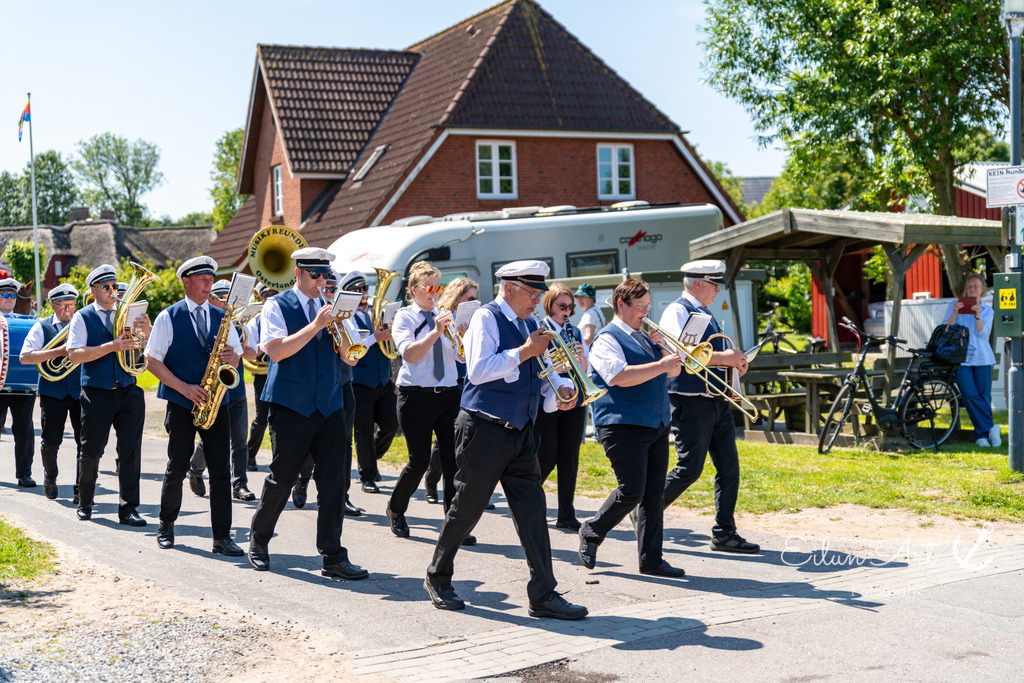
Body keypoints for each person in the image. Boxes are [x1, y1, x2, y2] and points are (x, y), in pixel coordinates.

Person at [424, 260, 587, 620]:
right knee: (467, 508)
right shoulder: (486, 317)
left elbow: (543, 375)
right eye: (532, 293)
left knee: (533, 514)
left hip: (522, 432)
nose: (537, 300)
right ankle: (438, 576)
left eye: (540, 293)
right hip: (483, 427)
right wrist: (525, 351)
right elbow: (479, 371)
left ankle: (543, 593)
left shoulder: (531, 324)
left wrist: (562, 388)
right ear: (509, 288)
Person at [248, 247, 368, 580]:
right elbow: (276, 351)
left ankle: (333, 555)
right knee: (282, 479)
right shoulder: (276, 305)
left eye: (325, 276)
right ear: (298, 273)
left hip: (330, 404)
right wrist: (316, 326)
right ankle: (259, 541)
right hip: (291, 405)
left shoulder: (332, 308)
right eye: (315, 275)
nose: (321, 282)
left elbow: (351, 359)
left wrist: (342, 332)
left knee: (334, 482)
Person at [577, 279, 685, 577]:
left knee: (653, 494)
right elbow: (620, 377)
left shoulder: (647, 337)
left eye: (647, 306)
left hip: (656, 422)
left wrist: (665, 350)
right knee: (632, 490)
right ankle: (592, 530)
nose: (645, 312)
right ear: (620, 305)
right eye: (640, 306)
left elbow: (674, 370)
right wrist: (663, 364)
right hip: (621, 424)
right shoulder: (606, 339)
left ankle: (652, 559)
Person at [144, 257, 245, 555]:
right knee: (176, 466)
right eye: (202, 279)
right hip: (180, 402)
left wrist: (231, 357)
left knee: (220, 471)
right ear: (185, 281)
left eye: (210, 279)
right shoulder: (168, 316)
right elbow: (152, 361)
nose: (208, 285)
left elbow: (238, 358)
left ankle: (222, 537)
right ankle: (166, 526)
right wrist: (184, 388)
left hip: (216, 402)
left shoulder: (223, 316)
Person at [657, 260, 759, 553]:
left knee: (729, 468)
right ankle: (647, 508)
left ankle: (724, 531)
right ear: (698, 283)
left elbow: (710, 354)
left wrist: (735, 365)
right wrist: (726, 358)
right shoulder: (678, 310)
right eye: (714, 285)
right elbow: (683, 354)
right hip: (690, 402)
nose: (717, 291)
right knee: (689, 468)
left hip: (715, 399)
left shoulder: (704, 312)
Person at [385, 263, 468, 543]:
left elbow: (461, 358)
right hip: (416, 396)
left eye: (438, 287)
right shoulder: (404, 317)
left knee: (452, 461)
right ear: (414, 290)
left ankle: (453, 524)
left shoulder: (443, 316)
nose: (435, 293)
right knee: (418, 461)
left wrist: (463, 336)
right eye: (429, 288)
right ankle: (396, 509)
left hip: (447, 394)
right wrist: (435, 331)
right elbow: (409, 355)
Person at [67, 264, 152, 525]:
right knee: (91, 450)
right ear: (94, 290)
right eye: (106, 287)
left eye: (114, 285)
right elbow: (74, 354)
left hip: (128, 389)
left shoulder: (126, 313)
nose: (113, 290)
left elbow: (145, 347)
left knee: (130, 451)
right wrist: (111, 346)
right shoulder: (82, 316)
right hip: (96, 392)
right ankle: (86, 501)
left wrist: (147, 331)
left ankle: (128, 509)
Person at [289, 271, 362, 516]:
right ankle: (302, 478)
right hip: (315, 388)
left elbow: (353, 354)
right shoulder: (310, 314)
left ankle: (343, 496)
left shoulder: (342, 315)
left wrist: (340, 325)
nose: (327, 293)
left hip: (342, 387)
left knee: (344, 444)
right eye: (325, 288)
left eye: (332, 289)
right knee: (311, 445)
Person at [187, 278, 259, 501]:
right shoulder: (206, 322)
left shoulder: (239, 324)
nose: (229, 305)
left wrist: (240, 350)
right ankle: (196, 470)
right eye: (224, 300)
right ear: (212, 300)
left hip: (235, 389)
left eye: (232, 300)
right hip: (213, 389)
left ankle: (240, 485)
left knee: (239, 439)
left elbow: (254, 353)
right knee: (211, 436)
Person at [19, 283, 83, 500]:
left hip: (80, 391)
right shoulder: (42, 326)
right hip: (52, 391)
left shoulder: (82, 325)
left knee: (85, 442)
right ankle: (50, 476)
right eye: (64, 305)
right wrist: (57, 351)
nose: (69, 310)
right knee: (51, 442)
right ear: (54, 306)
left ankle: (81, 487)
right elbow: (25, 357)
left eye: (72, 305)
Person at [536, 282, 588, 530]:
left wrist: (579, 360)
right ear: (550, 305)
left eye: (570, 307)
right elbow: (540, 367)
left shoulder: (574, 332)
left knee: (570, 458)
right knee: (547, 455)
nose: (567, 312)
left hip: (575, 398)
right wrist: (561, 365)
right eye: (562, 306)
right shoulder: (540, 330)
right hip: (549, 399)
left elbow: (586, 369)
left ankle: (566, 514)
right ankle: (529, 501)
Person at [423, 276, 478, 505]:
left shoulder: (475, 319)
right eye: (470, 298)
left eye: (476, 298)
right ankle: (431, 478)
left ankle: (464, 488)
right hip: (450, 379)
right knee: (445, 442)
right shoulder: (443, 315)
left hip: (469, 378)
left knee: (460, 440)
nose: (475, 303)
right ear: (458, 297)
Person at [351, 271, 398, 494]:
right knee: (363, 432)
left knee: (391, 423)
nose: (363, 294)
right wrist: (374, 338)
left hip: (382, 380)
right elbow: (354, 347)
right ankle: (367, 475)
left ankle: (372, 458)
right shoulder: (347, 317)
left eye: (364, 289)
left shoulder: (375, 313)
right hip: (360, 382)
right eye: (358, 290)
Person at [943, 272, 999, 447]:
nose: (972, 289)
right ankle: (991, 427)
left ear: (983, 289)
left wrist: (977, 315)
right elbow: (945, 330)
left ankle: (981, 436)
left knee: (984, 395)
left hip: (983, 357)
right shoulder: (955, 305)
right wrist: (954, 313)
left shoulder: (988, 310)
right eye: (969, 286)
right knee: (968, 394)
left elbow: (983, 333)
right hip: (961, 358)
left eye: (975, 286)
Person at [0, 277, 37, 487]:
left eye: (13, 295)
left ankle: (24, 473)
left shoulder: (27, 323)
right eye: (5, 295)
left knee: (24, 429)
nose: (9, 299)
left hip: (22, 385)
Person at [245, 282, 278, 471]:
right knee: (262, 418)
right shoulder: (256, 320)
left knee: (279, 418)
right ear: (261, 298)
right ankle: (250, 455)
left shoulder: (283, 316)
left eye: (274, 294)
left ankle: (278, 460)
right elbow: (249, 350)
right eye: (267, 295)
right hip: (263, 374)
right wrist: (267, 345)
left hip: (281, 371)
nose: (270, 299)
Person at [574, 283, 604, 352]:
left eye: (583, 296)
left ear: (591, 298)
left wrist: (571, 341)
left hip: (592, 354)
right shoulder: (597, 310)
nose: (579, 300)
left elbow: (589, 338)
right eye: (578, 297)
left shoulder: (590, 313)